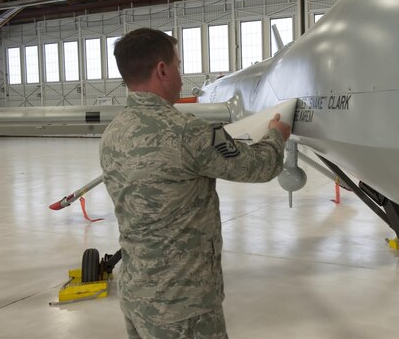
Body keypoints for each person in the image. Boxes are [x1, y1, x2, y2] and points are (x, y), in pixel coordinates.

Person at [100, 28, 291, 339]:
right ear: (162, 69)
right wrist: (275, 135)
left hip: (136, 295)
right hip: (183, 307)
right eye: (178, 65)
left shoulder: (113, 133)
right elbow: (259, 167)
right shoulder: (187, 132)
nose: (180, 74)